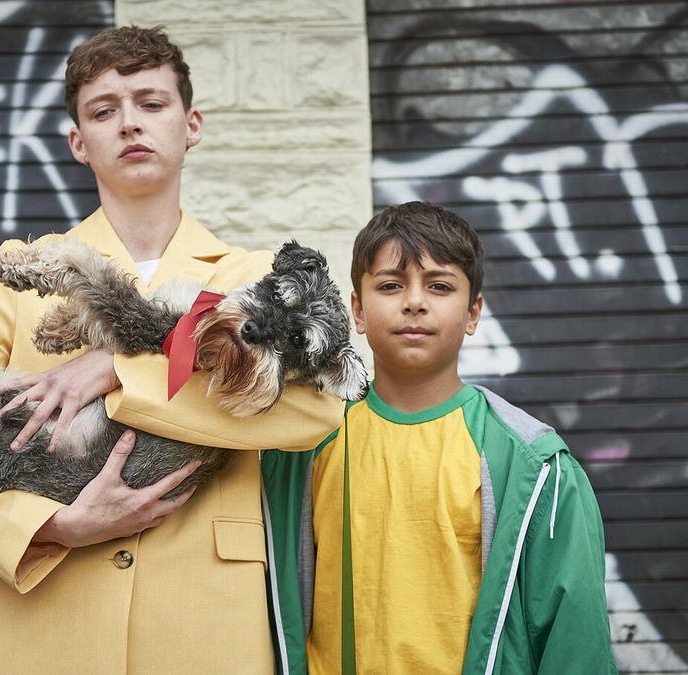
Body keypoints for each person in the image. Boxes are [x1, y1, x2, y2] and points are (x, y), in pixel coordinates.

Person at [0, 25, 343, 674]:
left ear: (192, 125)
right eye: (104, 110)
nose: (130, 124)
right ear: (78, 143)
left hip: (206, 634)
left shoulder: (253, 275)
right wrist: (46, 526)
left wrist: (119, 370)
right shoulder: (19, 273)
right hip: (40, 631)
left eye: (151, 104)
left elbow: (317, 413)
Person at [261, 201, 617, 674]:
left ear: (473, 313)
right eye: (390, 285)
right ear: (357, 311)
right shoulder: (302, 443)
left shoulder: (532, 464)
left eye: (440, 286)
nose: (414, 301)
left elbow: (576, 639)